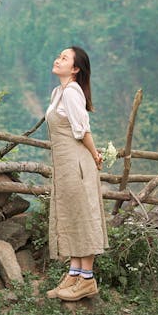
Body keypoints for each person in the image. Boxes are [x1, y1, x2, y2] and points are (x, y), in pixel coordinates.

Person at [46, 45, 109, 301]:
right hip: (65, 165)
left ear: (75, 69)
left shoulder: (72, 92)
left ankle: (87, 279)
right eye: (58, 55)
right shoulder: (58, 92)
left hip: (76, 164)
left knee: (82, 215)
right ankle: (74, 273)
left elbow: (82, 130)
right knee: (71, 214)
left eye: (64, 58)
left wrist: (95, 156)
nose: (57, 59)